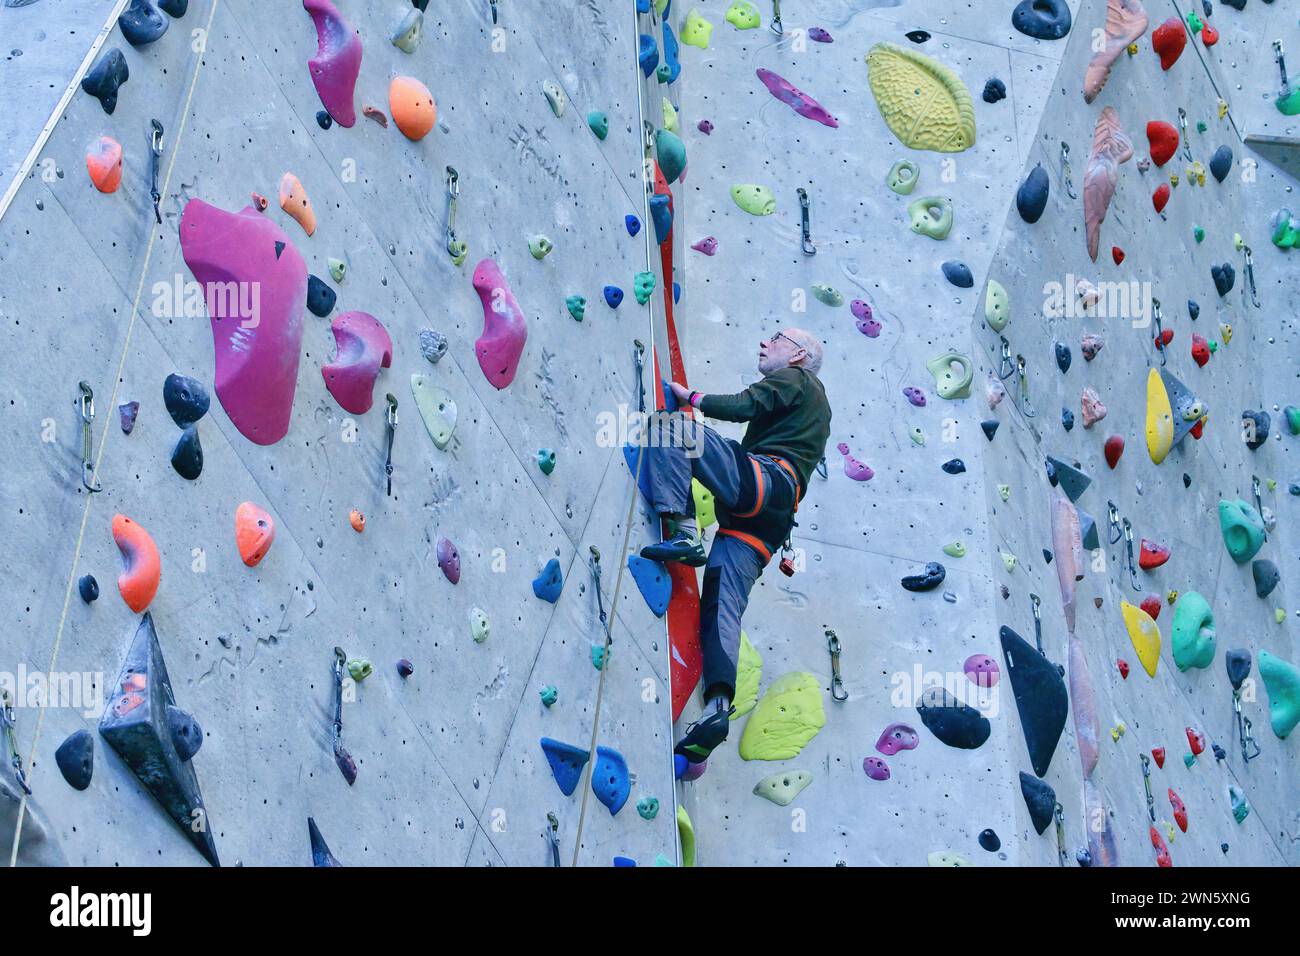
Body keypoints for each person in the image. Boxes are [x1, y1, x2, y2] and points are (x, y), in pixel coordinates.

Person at [638, 328, 831, 772]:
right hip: (766, 526)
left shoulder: (799, 380)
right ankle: (717, 708)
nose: (764, 343)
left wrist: (693, 398)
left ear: (798, 354)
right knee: (721, 607)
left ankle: (685, 531)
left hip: (766, 483)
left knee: (672, 428)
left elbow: (748, 404)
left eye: (776, 338)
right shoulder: (816, 408)